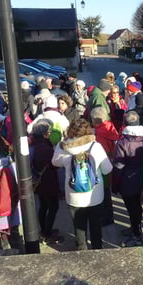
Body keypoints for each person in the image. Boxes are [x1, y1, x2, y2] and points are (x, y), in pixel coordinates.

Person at [51, 118, 113, 250]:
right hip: (94, 195)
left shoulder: (63, 147)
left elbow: (54, 162)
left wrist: (65, 160)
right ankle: (97, 248)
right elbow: (107, 169)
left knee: (79, 226)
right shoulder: (95, 146)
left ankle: (81, 248)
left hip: (74, 195)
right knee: (96, 225)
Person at [112, 111, 143, 247]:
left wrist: (115, 185)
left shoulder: (122, 142)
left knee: (131, 207)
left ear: (125, 124)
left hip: (127, 179)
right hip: (140, 174)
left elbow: (118, 166)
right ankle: (136, 228)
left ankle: (136, 235)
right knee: (137, 205)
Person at [30, 119, 61, 244]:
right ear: (44, 134)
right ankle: (47, 233)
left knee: (43, 206)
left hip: (38, 181)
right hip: (48, 181)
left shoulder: (34, 144)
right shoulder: (45, 147)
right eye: (48, 132)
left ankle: (43, 230)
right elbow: (54, 164)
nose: (50, 133)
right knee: (53, 206)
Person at [90, 106, 119, 226]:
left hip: (102, 162)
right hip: (111, 161)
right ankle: (108, 215)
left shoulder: (97, 134)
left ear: (95, 120)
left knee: (104, 191)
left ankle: (106, 216)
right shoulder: (110, 127)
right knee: (107, 190)